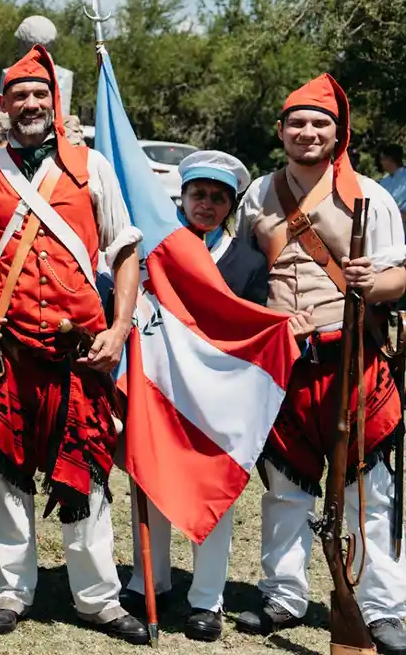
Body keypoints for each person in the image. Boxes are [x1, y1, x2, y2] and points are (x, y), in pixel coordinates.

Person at [0, 45, 148, 644]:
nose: (31, 104)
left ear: (55, 101)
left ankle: (97, 598)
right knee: (8, 473)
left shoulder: (92, 166)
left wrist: (119, 330)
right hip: (10, 349)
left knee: (87, 473)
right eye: (20, 95)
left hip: (79, 352)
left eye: (40, 94)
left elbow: (123, 251)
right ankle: (11, 591)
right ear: (3, 105)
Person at [231, 74, 406, 654]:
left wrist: (371, 282)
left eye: (319, 123)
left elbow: (401, 277)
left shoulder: (370, 197)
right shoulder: (258, 193)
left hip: (350, 358)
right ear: (281, 131)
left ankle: (380, 608)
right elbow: (239, 276)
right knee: (285, 487)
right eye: (297, 123)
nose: (307, 132)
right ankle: (283, 596)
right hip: (284, 363)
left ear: (338, 133)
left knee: (368, 493)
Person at [121, 150, 268, 642]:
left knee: (217, 494)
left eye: (218, 197)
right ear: (181, 197)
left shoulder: (247, 262)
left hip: (219, 399)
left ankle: (207, 600)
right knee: (153, 480)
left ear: (231, 205)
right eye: (198, 194)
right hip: (161, 389)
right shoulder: (156, 250)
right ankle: (150, 580)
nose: (206, 204)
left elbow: (253, 327)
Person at [379, 143, 406, 223]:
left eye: (383, 159)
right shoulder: (384, 181)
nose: (381, 162)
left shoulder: (404, 178)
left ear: (390, 159)